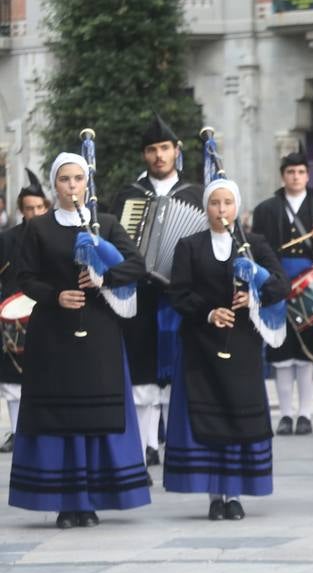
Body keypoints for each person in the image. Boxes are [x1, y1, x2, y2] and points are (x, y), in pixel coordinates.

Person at [9, 153, 148, 528]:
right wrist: (56, 296)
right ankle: (63, 501)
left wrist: (106, 278)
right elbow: (25, 277)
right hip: (53, 333)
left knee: (93, 414)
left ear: (87, 183)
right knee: (59, 416)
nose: (72, 186)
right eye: (65, 180)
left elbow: (137, 265)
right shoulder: (38, 228)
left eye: (78, 179)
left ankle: (90, 500)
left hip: (99, 331)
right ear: (55, 185)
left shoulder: (105, 223)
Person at [163, 178, 288, 521]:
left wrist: (254, 293)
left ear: (237, 207)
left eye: (227, 203)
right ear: (206, 208)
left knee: (236, 417)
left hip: (243, 344)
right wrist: (208, 311)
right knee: (208, 416)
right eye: (215, 203)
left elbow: (280, 285)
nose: (221, 210)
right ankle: (213, 495)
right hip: (201, 345)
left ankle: (233, 494)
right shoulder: (189, 246)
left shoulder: (254, 244)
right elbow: (179, 293)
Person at [108, 115, 205, 474]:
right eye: (151, 150)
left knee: (178, 366)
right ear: (144, 155)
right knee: (141, 366)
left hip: (181, 296)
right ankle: (145, 445)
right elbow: (116, 245)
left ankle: (175, 441)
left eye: (164, 148)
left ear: (176, 152)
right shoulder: (129, 197)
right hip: (142, 291)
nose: (158, 155)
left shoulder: (197, 194)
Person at [251, 151, 313, 436]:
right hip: (278, 284)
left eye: (300, 172)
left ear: (307, 175)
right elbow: (257, 249)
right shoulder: (266, 209)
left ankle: (305, 414)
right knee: (281, 349)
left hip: (310, 288)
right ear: (283, 175)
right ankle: (286, 414)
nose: (296, 177)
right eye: (290, 172)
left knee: (306, 352)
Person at [0, 172, 51, 453]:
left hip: (47, 312)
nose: (34, 213)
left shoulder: (55, 235)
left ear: (46, 206)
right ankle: (18, 432)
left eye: (39, 208)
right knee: (12, 380)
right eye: (29, 208)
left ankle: (42, 430)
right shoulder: (7, 239)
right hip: (12, 317)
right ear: (21, 210)